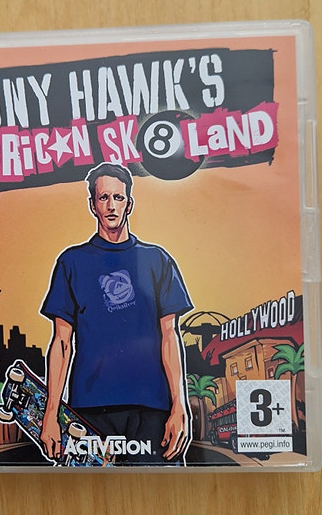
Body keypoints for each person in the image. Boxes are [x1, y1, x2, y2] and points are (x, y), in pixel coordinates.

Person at [40, 162, 193, 464]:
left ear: (129, 204)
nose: (111, 206)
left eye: (118, 197)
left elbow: (170, 337)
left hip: (153, 409)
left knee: (162, 490)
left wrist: (179, 406)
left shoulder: (157, 259)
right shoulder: (71, 262)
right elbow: (61, 343)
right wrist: (51, 413)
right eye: (103, 197)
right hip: (89, 411)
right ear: (93, 205)